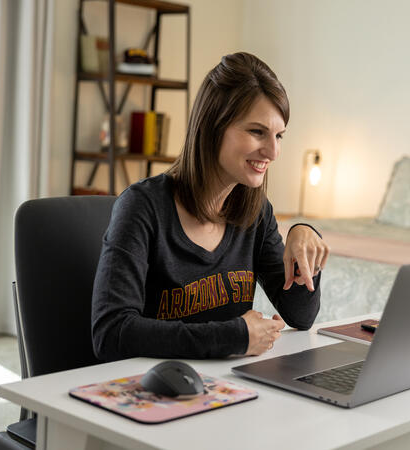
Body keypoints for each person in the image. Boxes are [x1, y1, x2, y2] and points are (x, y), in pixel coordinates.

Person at [91, 52, 329, 361]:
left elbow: (300, 315)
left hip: (225, 391)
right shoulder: (142, 207)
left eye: (279, 135)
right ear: (213, 127)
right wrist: (234, 336)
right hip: (149, 392)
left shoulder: (255, 211)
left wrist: (303, 238)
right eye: (257, 131)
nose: (273, 151)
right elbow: (111, 334)